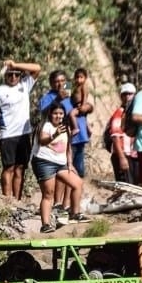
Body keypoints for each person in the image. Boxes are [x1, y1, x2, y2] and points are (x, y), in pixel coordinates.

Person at [0, 59, 42, 199]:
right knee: (8, 168)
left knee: (20, 168)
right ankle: (7, 199)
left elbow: (37, 68)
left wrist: (15, 65)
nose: (13, 77)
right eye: (10, 74)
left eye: (17, 75)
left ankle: (17, 200)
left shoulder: (25, 85)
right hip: (7, 135)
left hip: (24, 134)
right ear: (5, 76)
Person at [30, 102, 87, 233]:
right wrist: (54, 135)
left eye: (61, 113)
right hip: (44, 162)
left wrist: (70, 164)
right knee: (48, 194)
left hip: (60, 163)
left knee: (77, 183)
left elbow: (68, 148)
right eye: (55, 113)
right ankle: (45, 224)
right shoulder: (46, 126)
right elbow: (43, 140)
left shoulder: (65, 128)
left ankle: (75, 213)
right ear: (50, 114)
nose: (58, 116)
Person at [38, 69, 78, 212]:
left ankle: (64, 204)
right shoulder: (48, 97)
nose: (60, 84)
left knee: (68, 169)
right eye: (57, 81)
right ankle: (55, 202)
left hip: (65, 137)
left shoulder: (67, 96)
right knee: (57, 171)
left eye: (62, 81)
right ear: (51, 83)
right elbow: (43, 112)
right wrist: (58, 99)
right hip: (51, 138)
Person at [107, 83, 138, 183]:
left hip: (132, 155)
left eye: (130, 94)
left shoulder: (135, 113)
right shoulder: (119, 113)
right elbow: (115, 137)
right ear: (121, 96)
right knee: (126, 186)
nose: (127, 97)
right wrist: (122, 158)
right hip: (123, 154)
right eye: (125, 94)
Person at [69, 68, 95, 178]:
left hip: (80, 107)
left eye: (81, 77)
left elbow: (85, 97)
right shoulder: (74, 86)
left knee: (72, 114)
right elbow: (66, 91)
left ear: (85, 78)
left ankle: (77, 128)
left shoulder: (84, 86)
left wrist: (83, 106)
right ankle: (86, 128)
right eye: (77, 77)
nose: (79, 80)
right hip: (77, 107)